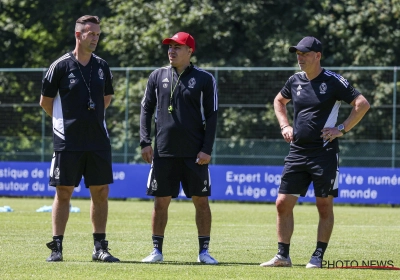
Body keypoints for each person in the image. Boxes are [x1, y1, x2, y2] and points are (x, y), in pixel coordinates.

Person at [260, 36, 370, 268]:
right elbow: (279, 101)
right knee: (282, 203)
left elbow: (362, 104)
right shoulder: (294, 80)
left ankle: (317, 256)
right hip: (297, 151)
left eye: (304, 53)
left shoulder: (333, 81)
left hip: (324, 153)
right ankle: (282, 256)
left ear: (317, 56)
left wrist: (341, 129)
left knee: (323, 205)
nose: (299, 57)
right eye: (297, 53)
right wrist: (284, 125)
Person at [39, 15, 119, 263]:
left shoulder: (102, 66)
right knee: (64, 192)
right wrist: (65, 123)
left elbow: (106, 99)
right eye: (90, 33)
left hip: (97, 140)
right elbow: (45, 102)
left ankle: (100, 248)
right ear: (78, 35)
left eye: (97, 34)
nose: (95, 38)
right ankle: (57, 247)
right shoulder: (60, 66)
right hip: (68, 141)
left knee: (101, 192)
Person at [140, 32, 219, 264]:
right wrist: (145, 142)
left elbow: (212, 116)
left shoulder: (205, 79)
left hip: (195, 154)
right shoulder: (156, 76)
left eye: (178, 47)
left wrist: (207, 149)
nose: (171, 51)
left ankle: (204, 251)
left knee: (201, 201)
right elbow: (146, 110)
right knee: (160, 201)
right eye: (170, 47)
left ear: (190, 51)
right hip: (163, 152)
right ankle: (156, 250)